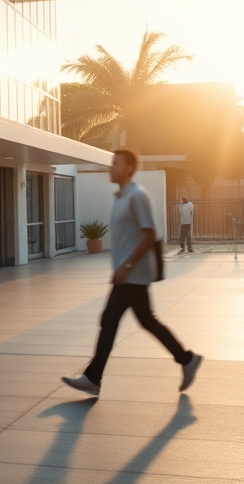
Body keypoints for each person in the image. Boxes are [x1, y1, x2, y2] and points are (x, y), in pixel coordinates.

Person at [62, 149, 203, 397]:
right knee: (147, 320)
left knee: (109, 320)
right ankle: (187, 359)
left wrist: (127, 266)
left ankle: (93, 379)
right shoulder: (122, 197)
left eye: (115, 163)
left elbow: (149, 233)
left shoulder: (136, 195)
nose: (110, 168)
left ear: (129, 168)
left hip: (132, 274)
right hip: (130, 274)